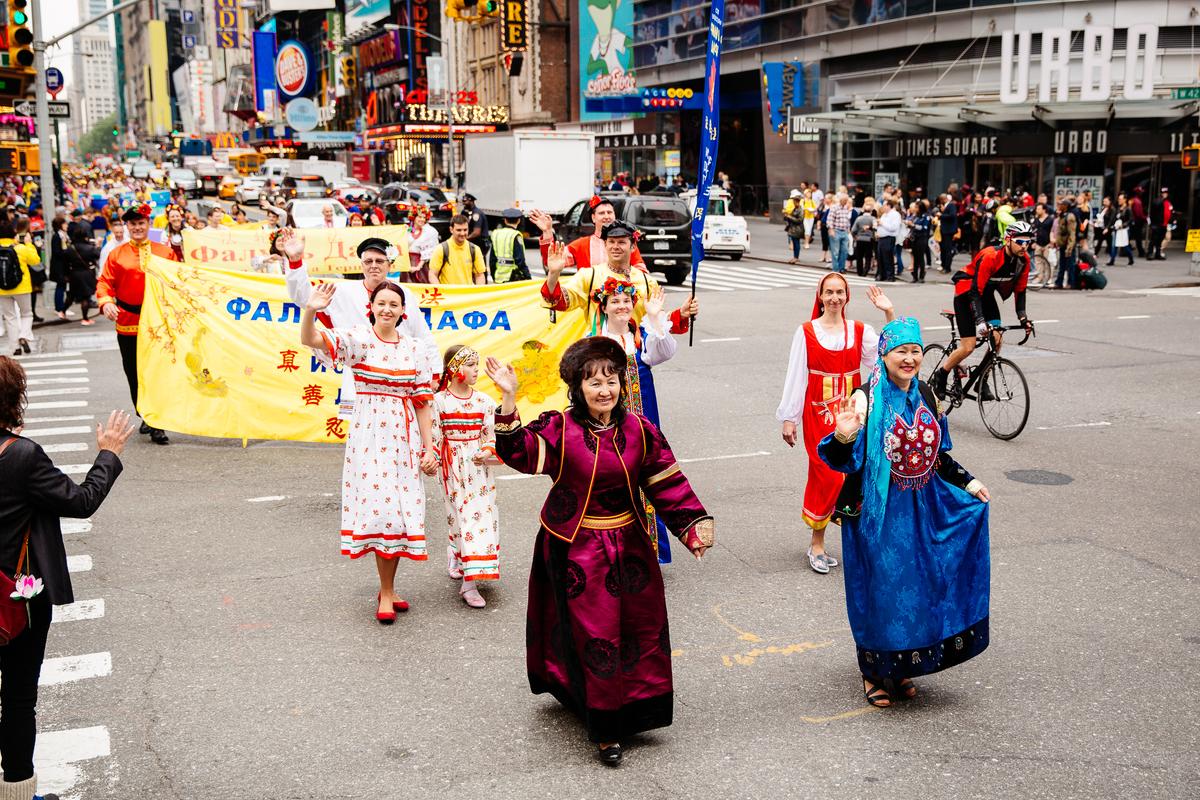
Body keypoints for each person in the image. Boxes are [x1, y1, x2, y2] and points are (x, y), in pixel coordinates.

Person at [485, 337, 714, 764]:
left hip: (629, 545)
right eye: (593, 382)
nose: (604, 389)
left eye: (611, 380)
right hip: (575, 548)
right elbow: (518, 452)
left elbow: (664, 481)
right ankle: (606, 729)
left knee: (641, 629)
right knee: (596, 637)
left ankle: (638, 707)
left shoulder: (639, 431)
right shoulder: (560, 428)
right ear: (578, 388)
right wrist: (509, 398)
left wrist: (691, 527)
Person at [818, 317, 991, 708]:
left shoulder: (926, 394)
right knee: (881, 590)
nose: (910, 358)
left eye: (915, 351)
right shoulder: (866, 398)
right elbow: (846, 461)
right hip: (876, 514)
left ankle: (902, 665)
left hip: (922, 508)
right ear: (884, 356)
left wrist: (969, 482)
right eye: (901, 351)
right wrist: (844, 435)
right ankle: (874, 671)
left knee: (918, 586)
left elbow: (937, 455)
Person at [0, 356, 134, 800]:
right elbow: (80, 501)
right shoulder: (20, 456)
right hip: (15, 598)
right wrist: (109, 453)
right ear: (13, 399)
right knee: (18, 699)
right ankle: (18, 792)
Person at [300, 281, 438, 623]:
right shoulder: (359, 340)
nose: (387, 309)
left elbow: (422, 401)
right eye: (382, 303)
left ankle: (388, 587)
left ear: (403, 310)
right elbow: (310, 340)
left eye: (394, 304)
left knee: (402, 511)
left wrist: (430, 446)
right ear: (371, 306)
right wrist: (311, 310)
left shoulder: (415, 349)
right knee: (382, 511)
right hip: (370, 437)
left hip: (404, 437)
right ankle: (387, 592)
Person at [778, 275, 895, 573]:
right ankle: (817, 542)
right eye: (828, 292)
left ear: (847, 296)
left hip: (853, 411)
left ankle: (861, 543)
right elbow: (796, 377)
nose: (834, 297)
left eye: (839, 292)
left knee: (856, 475)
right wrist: (789, 419)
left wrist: (888, 313)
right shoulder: (805, 332)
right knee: (826, 474)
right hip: (817, 413)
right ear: (820, 296)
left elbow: (887, 358)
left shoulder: (859, 331)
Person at [280, 231, 438, 419]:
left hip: (399, 381)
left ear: (390, 265)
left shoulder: (403, 294)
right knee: (362, 439)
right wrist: (296, 261)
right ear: (361, 265)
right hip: (361, 384)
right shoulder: (343, 291)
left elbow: (423, 335)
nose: (373, 266)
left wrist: (435, 374)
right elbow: (304, 297)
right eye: (368, 261)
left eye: (379, 261)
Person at [96, 203, 181, 445]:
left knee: (157, 373)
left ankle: (156, 422)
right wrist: (106, 302)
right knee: (134, 374)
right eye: (132, 223)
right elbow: (104, 283)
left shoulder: (165, 253)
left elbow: (178, 282)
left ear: (149, 224)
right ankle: (145, 413)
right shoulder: (117, 254)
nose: (137, 227)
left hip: (158, 325)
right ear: (127, 226)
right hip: (128, 323)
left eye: (141, 223)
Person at [930, 221, 1035, 399]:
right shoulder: (990, 256)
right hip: (967, 294)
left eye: (1028, 241)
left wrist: (1023, 318)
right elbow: (974, 291)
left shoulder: (1023, 261)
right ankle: (942, 374)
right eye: (1020, 241)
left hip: (986, 295)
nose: (1024, 246)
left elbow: (1020, 291)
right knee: (968, 346)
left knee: (997, 339)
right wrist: (979, 321)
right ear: (1008, 240)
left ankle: (981, 381)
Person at [430, 346, 500, 608]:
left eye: (476, 364)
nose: (476, 370)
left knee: (477, 519)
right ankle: (456, 555)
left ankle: (469, 583)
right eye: (470, 364)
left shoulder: (484, 402)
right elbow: (435, 436)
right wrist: (432, 460)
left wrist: (486, 450)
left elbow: (491, 434)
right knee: (458, 519)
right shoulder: (439, 402)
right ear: (455, 369)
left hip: (478, 470)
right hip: (452, 469)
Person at [541, 222, 694, 335]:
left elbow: (655, 320)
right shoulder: (589, 275)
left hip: (637, 358)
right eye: (611, 242)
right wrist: (553, 274)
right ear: (605, 245)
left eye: (621, 242)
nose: (615, 246)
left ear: (633, 246)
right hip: (600, 358)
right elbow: (559, 302)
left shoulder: (647, 281)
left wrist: (681, 313)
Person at [529, 196, 649, 273]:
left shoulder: (626, 242)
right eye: (602, 213)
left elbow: (641, 270)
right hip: (590, 305)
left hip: (620, 304)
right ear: (593, 217)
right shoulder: (582, 245)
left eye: (609, 212)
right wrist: (547, 231)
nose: (607, 216)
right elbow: (552, 262)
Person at [0, 219, 40, 357]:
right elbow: (35, 261)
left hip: (2, 289)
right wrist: (28, 244)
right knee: (26, 314)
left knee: (9, 317)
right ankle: (23, 336)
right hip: (22, 287)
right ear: (14, 234)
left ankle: (15, 347)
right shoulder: (20, 248)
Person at [430, 215, 486, 285]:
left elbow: (479, 275)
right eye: (459, 230)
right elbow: (432, 274)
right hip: (448, 295)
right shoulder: (441, 249)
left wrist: (479, 292)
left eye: (465, 230)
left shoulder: (475, 250)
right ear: (451, 229)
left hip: (467, 294)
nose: (462, 233)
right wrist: (440, 291)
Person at [66, 226, 100, 327]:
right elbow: (97, 255)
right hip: (86, 273)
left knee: (72, 294)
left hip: (74, 273)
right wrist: (97, 246)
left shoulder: (70, 248)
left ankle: (62, 311)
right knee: (85, 297)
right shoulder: (89, 248)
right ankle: (85, 318)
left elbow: (66, 260)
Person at [489, 208, 531, 283]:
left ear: (505, 220)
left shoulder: (496, 234)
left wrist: (494, 276)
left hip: (498, 278)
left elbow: (492, 260)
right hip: (513, 279)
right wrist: (528, 277)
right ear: (519, 221)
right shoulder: (515, 235)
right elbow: (520, 261)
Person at [48, 216, 72, 321]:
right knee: (60, 286)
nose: (66, 225)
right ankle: (59, 308)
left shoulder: (64, 235)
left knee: (62, 286)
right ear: (60, 225)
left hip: (63, 266)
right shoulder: (57, 236)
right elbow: (57, 252)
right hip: (59, 267)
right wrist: (67, 252)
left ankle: (62, 307)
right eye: (64, 224)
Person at [1052, 200, 1079, 290]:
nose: (1059, 206)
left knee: (1070, 265)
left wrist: (1070, 247)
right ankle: (1059, 283)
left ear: (1066, 206)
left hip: (1068, 245)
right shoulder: (1062, 215)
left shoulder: (1070, 217)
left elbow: (1072, 233)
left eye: (1061, 205)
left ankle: (1071, 283)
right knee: (1062, 265)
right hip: (1062, 245)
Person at [875, 198, 903, 282]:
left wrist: (882, 223)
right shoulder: (884, 215)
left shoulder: (895, 215)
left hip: (889, 238)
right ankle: (882, 275)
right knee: (880, 257)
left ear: (888, 206)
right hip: (881, 238)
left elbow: (893, 228)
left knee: (888, 257)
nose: (883, 207)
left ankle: (890, 276)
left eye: (884, 205)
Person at [826, 193, 853, 274]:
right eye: (845, 200)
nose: (846, 202)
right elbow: (830, 219)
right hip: (836, 230)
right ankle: (836, 269)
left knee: (844, 251)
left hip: (844, 231)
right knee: (835, 252)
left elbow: (847, 220)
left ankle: (841, 268)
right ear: (841, 200)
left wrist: (848, 229)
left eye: (846, 200)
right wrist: (831, 229)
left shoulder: (846, 208)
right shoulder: (834, 207)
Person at [1030, 202, 1055, 288]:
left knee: (1047, 262)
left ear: (1044, 210)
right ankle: (1039, 277)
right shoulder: (1036, 220)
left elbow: (1053, 231)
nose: (1037, 210)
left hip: (1047, 244)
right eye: (1036, 209)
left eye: (1039, 209)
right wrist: (1033, 242)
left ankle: (1048, 278)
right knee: (1038, 262)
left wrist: (1052, 242)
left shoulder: (1050, 219)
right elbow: (1033, 232)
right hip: (1038, 244)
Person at [851, 198, 876, 277]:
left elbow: (853, 230)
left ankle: (860, 271)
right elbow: (875, 228)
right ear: (871, 211)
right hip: (869, 239)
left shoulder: (859, 218)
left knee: (859, 256)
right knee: (868, 256)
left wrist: (855, 237)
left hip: (860, 238)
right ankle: (866, 270)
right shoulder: (873, 219)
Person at [907, 201, 932, 283]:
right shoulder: (916, 216)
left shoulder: (926, 216)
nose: (915, 209)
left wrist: (913, 225)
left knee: (920, 257)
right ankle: (914, 276)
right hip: (915, 238)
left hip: (922, 238)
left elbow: (924, 228)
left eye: (917, 207)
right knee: (915, 256)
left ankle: (921, 276)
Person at [461, 193, 490, 261]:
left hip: (480, 243)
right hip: (473, 243)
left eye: (465, 201)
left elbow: (476, 232)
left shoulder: (477, 214)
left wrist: (465, 238)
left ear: (471, 201)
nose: (463, 203)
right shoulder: (465, 212)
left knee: (479, 263)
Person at [1109, 194, 1135, 267]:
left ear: (1125, 200)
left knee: (1125, 245)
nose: (1119, 200)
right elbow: (1115, 218)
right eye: (1118, 199)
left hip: (1124, 229)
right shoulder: (1118, 209)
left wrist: (1123, 225)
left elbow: (1131, 219)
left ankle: (1131, 259)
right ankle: (1112, 260)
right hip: (1117, 228)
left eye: (1120, 199)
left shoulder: (1127, 209)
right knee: (1114, 245)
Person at [937, 193, 958, 273]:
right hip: (943, 230)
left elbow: (952, 215)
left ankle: (947, 267)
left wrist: (941, 215)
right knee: (943, 248)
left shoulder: (951, 205)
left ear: (943, 199)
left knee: (947, 249)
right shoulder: (943, 206)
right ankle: (943, 265)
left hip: (949, 230)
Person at [1148, 187, 1171, 261]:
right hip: (1157, 224)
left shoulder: (1167, 202)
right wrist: (1152, 224)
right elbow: (1154, 209)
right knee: (1153, 240)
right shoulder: (1158, 200)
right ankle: (1150, 253)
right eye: (1163, 193)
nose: (1165, 194)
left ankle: (1158, 254)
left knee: (1160, 240)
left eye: (1166, 193)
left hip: (1164, 224)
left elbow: (1169, 211)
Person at [783, 192, 805, 264]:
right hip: (793, 228)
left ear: (797, 201)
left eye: (794, 201)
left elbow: (800, 220)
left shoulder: (800, 209)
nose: (793, 202)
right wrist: (786, 216)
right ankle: (795, 257)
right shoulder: (795, 209)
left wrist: (789, 217)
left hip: (797, 229)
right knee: (794, 243)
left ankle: (796, 257)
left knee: (796, 243)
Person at [1129, 188, 1147, 258]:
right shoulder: (1137, 202)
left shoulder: (1134, 200)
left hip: (1135, 221)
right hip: (1137, 221)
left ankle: (1125, 249)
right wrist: (1145, 218)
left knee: (1131, 236)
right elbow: (1138, 214)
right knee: (1138, 237)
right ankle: (1141, 252)